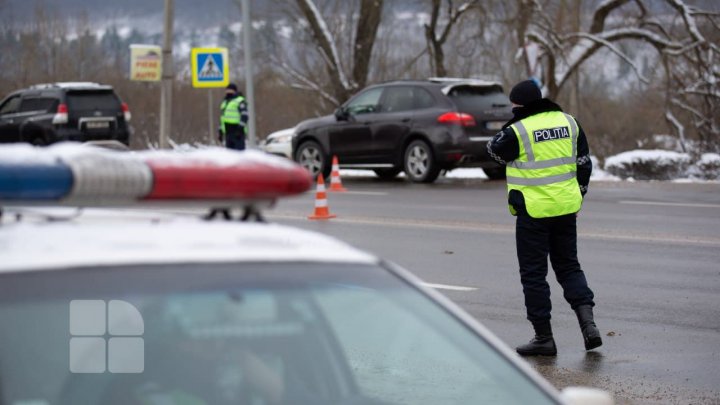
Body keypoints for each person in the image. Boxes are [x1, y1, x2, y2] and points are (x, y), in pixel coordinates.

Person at [487, 79, 601, 356]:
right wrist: (578, 194)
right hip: (565, 209)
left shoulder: (518, 130)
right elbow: (584, 163)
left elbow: (493, 150)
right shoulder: (570, 122)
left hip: (534, 213)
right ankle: (589, 326)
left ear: (519, 105)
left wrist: (513, 123)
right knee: (569, 267)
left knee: (534, 274)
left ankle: (543, 337)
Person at [219, 82, 249, 151]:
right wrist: (220, 131)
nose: (228, 92)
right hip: (228, 132)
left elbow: (245, 116)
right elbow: (222, 118)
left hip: (237, 132)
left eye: (230, 90)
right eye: (227, 90)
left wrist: (240, 129)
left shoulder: (240, 101)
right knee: (230, 156)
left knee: (239, 155)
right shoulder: (225, 102)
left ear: (235, 91)